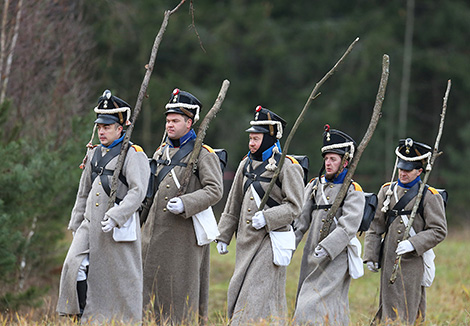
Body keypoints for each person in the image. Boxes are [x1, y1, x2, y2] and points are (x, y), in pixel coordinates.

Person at [56, 90, 150, 324]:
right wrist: (76, 223)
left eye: (107, 127)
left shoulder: (133, 154)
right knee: (72, 264)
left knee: (119, 279)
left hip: (116, 226)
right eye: (99, 126)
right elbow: (83, 191)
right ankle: (80, 315)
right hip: (90, 223)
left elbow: (137, 192)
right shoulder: (94, 152)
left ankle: (119, 320)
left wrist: (117, 215)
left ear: (120, 128)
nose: (101, 131)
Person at [141, 88, 223, 325]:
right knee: (150, 299)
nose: (169, 125)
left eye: (175, 120)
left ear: (189, 122)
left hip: (182, 242)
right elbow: (151, 192)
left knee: (180, 300)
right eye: (168, 120)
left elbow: (215, 190)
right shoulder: (161, 152)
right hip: (153, 237)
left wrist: (187, 203)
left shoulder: (203, 154)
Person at [216, 105, 304, 326]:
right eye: (251, 138)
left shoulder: (287, 166)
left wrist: (268, 217)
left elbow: (295, 207)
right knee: (240, 291)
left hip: (269, 241)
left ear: (269, 138)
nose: (252, 143)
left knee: (255, 296)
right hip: (245, 241)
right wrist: (223, 235)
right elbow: (233, 201)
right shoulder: (245, 164)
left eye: (256, 138)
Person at [363, 138, 447, 324]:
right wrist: (371, 255)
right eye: (401, 168)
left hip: (413, 263)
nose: (403, 172)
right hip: (389, 258)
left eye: (408, 169)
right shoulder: (387, 191)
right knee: (388, 307)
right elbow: (376, 226)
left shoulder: (429, 196)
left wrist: (413, 243)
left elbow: (439, 230)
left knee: (411, 308)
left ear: (419, 171)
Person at [292, 125, 365, 326]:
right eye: (326, 159)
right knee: (326, 307)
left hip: (336, 257)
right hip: (311, 254)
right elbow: (301, 220)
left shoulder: (353, 190)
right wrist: (289, 244)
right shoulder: (315, 185)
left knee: (313, 305)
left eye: (333, 159)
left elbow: (348, 226)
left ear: (345, 161)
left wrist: (327, 247)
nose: (328, 163)